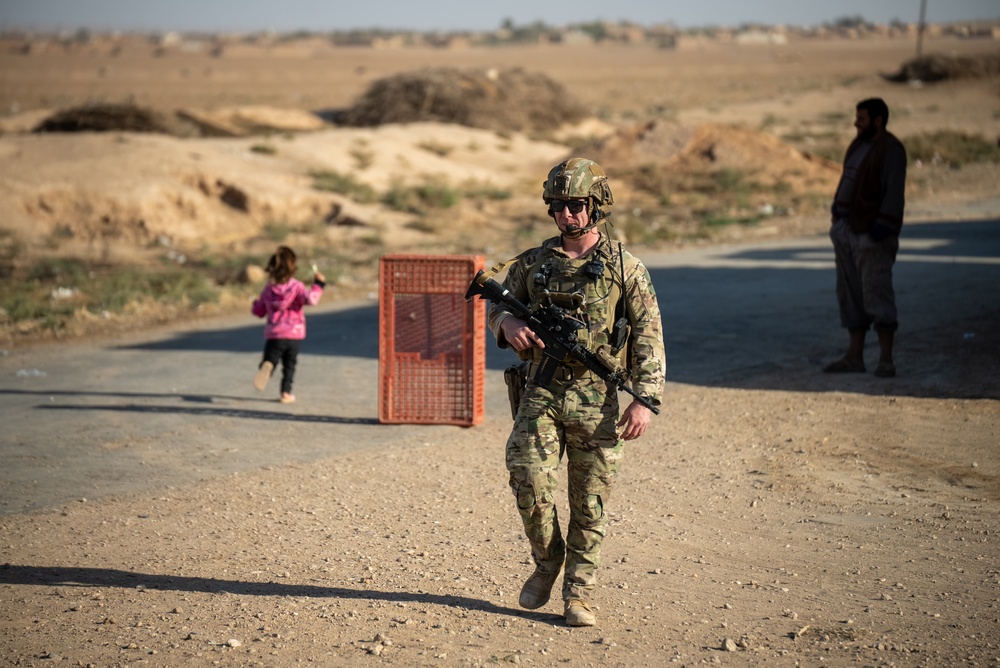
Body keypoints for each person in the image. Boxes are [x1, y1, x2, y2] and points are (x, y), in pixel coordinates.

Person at [487, 157, 665, 627]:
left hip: (597, 398)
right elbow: (496, 307)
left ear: (597, 205)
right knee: (527, 478)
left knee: (589, 501)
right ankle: (548, 563)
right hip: (540, 391)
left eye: (576, 205)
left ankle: (579, 593)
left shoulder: (625, 267)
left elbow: (648, 333)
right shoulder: (533, 263)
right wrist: (508, 323)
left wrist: (644, 399)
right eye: (558, 206)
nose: (566, 215)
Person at [824, 97, 906, 378]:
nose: (856, 123)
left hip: (871, 236)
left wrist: (877, 232)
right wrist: (838, 217)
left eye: (861, 118)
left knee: (877, 292)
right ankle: (854, 357)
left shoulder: (891, 150)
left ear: (878, 120)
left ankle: (885, 360)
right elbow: (847, 181)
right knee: (850, 295)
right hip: (847, 232)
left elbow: (893, 196)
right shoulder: (858, 145)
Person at [252, 246, 325, 403]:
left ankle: (267, 366)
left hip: (275, 334)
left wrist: (254, 304)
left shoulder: (269, 288)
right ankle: (286, 393)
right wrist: (318, 284)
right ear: (293, 267)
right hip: (294, 334)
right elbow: (312, 299)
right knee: (289, 365)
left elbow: (259, 311)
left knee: (270, 359)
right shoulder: (297, 286)